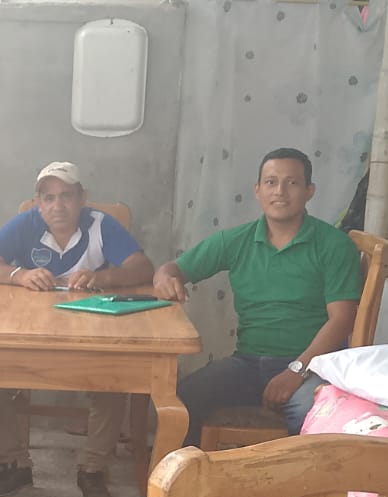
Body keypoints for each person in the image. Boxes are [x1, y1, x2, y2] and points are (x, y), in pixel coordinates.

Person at [0, 160, 155, 497]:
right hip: (29, 333)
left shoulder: (101, 224)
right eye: (49, 197)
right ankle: (13, 464)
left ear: (83, 198)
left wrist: (103, 278)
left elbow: (142, 267)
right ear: (38, 202)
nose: (58, 206)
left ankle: (93, 468)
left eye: (67, 196)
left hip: (89, 335)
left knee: (114, 379)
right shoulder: (27, 223)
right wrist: (19, 275)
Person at [154, 147, 362, 443]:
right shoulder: (237, 240)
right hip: (248, 363)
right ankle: (191, 474)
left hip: (313, 366)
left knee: (312, 414)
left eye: (292, 183)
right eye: (271, 182)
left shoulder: (333, 245)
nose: (280, 192)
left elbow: (342, 320)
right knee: (180, 401)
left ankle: (291, 476)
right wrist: (165, 278)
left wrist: (296, 371)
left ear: (309, 191)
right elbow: (173, 269)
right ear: (257, 190)